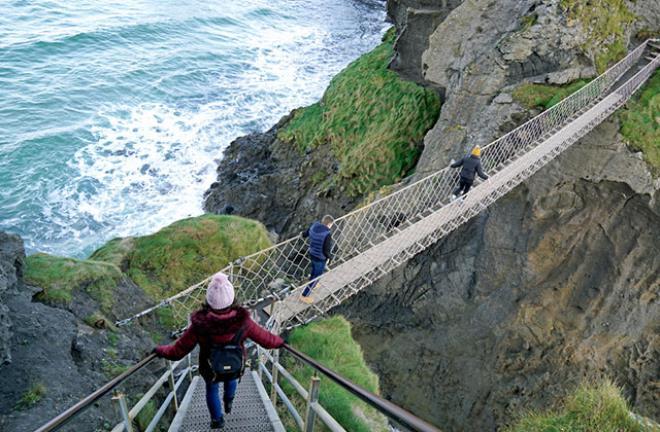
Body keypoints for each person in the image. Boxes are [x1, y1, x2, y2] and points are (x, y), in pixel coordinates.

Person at [153, 272, 283, 429]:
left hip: (210, 367)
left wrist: (160, 350)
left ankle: (217, 420)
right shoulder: (244, 322)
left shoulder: (199, 324)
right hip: (235, 364)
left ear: (209, 298)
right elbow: (266, 339)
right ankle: (229, 400)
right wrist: (281, 343)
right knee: (232, 380)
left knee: (212, 390)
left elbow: (178, 350)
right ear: (232, 297)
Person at [300, 214, 334, 303]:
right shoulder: (327, 234)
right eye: (331, 225)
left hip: (312, 253)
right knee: (317, 275)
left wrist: (302, 234)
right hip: (320, 258)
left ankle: (313, 284)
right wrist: (330, 257)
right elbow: (326, 249)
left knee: (314, 271)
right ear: (329, 224)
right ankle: (304, 295)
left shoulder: (314, 225)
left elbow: (305, 234)